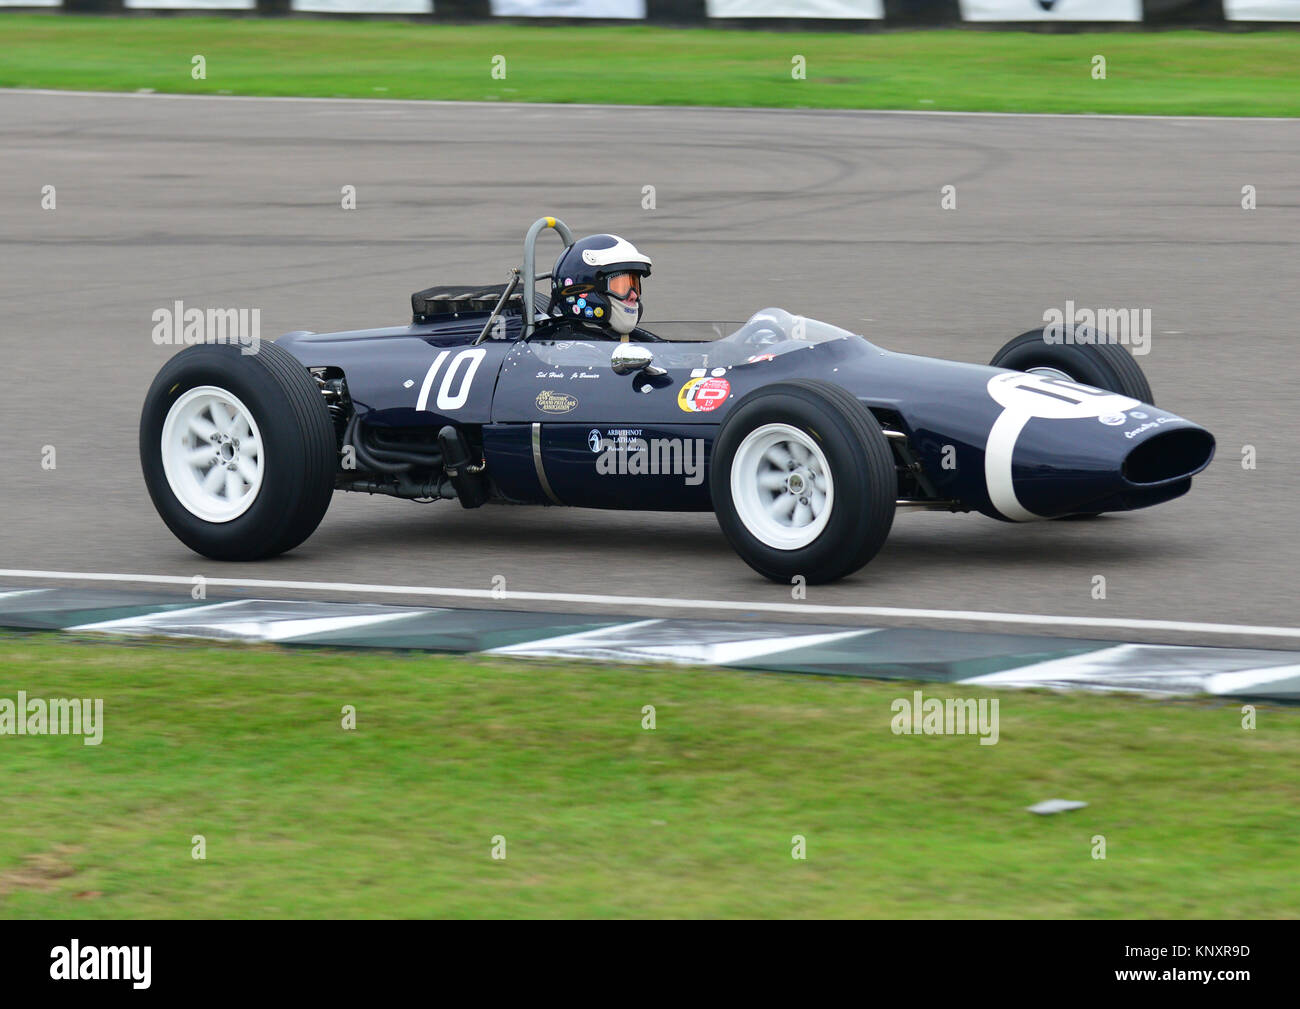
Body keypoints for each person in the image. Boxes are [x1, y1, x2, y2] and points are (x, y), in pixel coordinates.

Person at [543, 234, 653, 341]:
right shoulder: (570, 352)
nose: (633, 295)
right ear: (581, 291)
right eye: (621, 287)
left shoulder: (639, 340)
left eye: (634, 285)